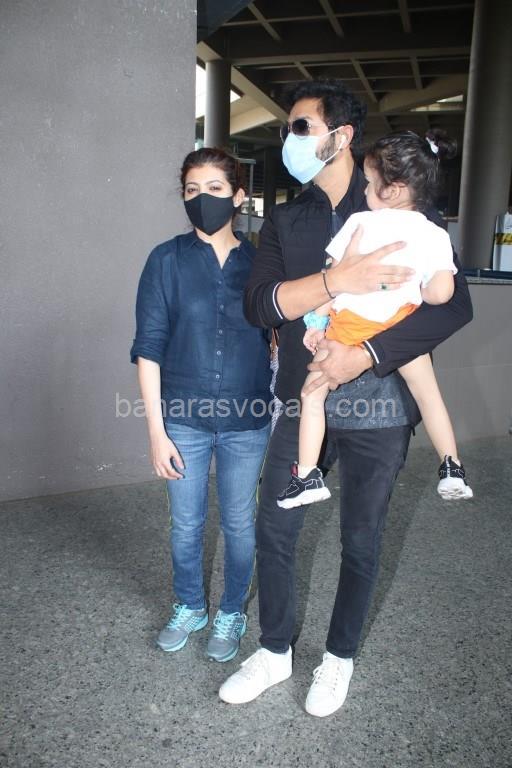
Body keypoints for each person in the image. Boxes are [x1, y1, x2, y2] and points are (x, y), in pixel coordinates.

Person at [219, 80, 472, 716]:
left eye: (301, 127)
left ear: (343, 136)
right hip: (303, 392)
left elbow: (451, 306)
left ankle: (338, 659)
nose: (290, 138)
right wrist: (336, 281)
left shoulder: (407, 205)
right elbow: (261, 305)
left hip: (379, 402)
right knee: (276, 526)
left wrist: (367, 354)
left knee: (361, 538)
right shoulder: (288, 218)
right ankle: (274, 650)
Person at [277, 130, 473, 510]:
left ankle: (308, 475)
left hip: (352, 326)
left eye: (369, 183)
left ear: (394, 190)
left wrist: (316, 326)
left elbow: (332, 281)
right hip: (400, 326)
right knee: (428, 394)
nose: (365, 190)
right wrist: (414, 288)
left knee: (312, 394)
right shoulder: (434, 233)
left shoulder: (359, 223)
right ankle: (451, 467)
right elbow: (441, 294)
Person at [130, 147, 271, 663]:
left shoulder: (261, 264)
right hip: (183, 420)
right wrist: (156, 432)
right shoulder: (165, 260)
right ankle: (189, 604)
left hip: (247, 420)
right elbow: (148, 348)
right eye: (192, 190)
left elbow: (282, 335)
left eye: (214, 188)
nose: (202, 198)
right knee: (186, 525)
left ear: (238, 196)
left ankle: (232, 611)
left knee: (239, 523)